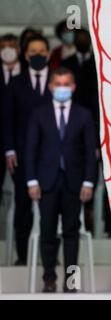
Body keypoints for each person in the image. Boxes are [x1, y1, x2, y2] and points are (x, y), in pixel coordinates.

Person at [26, 67, 96, 293]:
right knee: (47, 232)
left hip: (74, 184)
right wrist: (31, 181)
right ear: (51, 87)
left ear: (73, 87)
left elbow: (90, 152)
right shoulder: (39, 113)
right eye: (58, 84)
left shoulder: (84, 114)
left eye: (66, 84)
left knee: (71, 233)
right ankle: (49, 278)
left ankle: (70, 281)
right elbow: (30, 150)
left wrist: (88, 182)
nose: (62, 88)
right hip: (46, 182)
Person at [2, 34, 52, 265]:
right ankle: (23, 257)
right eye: (33, 52)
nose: (38, 55)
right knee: (23, 207)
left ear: (49, 54)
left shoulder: (58, 81)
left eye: (42, 51)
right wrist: (9, 150)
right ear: (25, 55)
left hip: (52, 155)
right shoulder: (16, 82)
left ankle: (49, 258)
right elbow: (7, 118)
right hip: (23, 156)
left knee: (52, 208)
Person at [1, 34, 22, 197]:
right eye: (3, 47)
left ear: (19, 49)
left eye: (11, 46)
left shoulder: (30, 73)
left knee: (23, 193)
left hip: (21, 143)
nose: (7, 50)